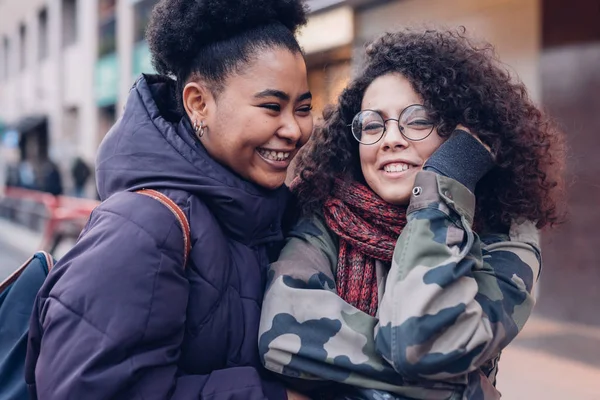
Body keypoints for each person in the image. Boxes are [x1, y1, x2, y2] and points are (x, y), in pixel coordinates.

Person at [25, 0, 314, 399]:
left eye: (303, 108)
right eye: (271, 106)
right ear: (199, 103)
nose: (294, 129)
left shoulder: (271, 216)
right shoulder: (144, 226)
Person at [259, 28, 565, 399]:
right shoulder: (326, 219)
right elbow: (283, 338)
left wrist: (442, 192)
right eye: (372, 124)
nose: (390, 139)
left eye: (417, 120)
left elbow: (418, 343)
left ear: (462, 136)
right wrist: (463, 391)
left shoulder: (504, 238)